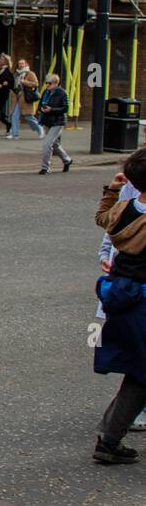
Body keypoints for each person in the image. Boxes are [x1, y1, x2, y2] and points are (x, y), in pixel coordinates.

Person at [91, 151, 146, 464]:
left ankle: (109, 438)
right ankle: (109, 440)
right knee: (141, 374)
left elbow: (102, 218)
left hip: (122, 297)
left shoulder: (124, 209)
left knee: (139, 371)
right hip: (142, 301)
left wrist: (112, 190)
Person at [38, 73, 73, 175]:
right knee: (55, 144)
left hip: (58, 122)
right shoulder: (46, 92)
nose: (47, 85)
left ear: (56, 83)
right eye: (46, 83)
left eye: (50, 83)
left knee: (47, 144)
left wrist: (51, 109)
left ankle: (45, 167)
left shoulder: (62, 93)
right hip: (47, 121)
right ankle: (67, 160)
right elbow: (40, 104)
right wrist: (42, 109)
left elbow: (65, 108)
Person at [10, 59, 44, 139]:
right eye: (19, 63)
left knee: (28, 117)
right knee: (14, 116)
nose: (21, 65)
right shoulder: (16, 74)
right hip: (17, 98)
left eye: (22, 63)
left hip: (25, 98)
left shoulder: (30, 73)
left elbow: (36, 84)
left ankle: (39, 128)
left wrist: (25, 82)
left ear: (25, 64)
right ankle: (15, 134)